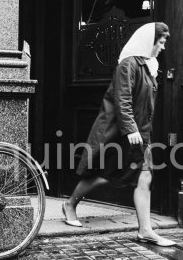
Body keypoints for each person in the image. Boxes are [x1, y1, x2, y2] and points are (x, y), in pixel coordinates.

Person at [62, 22, 176, 247]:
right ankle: (70, 205)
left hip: (139, 134)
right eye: (160, 42)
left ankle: (145, 230)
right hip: (123, 132)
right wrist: (131, 129)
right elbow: (122, 99)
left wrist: (140, 131)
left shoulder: (148, 65)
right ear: (148, 41)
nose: (162, 47)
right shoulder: (128, 64)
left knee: (145, 176)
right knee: (104, 174)